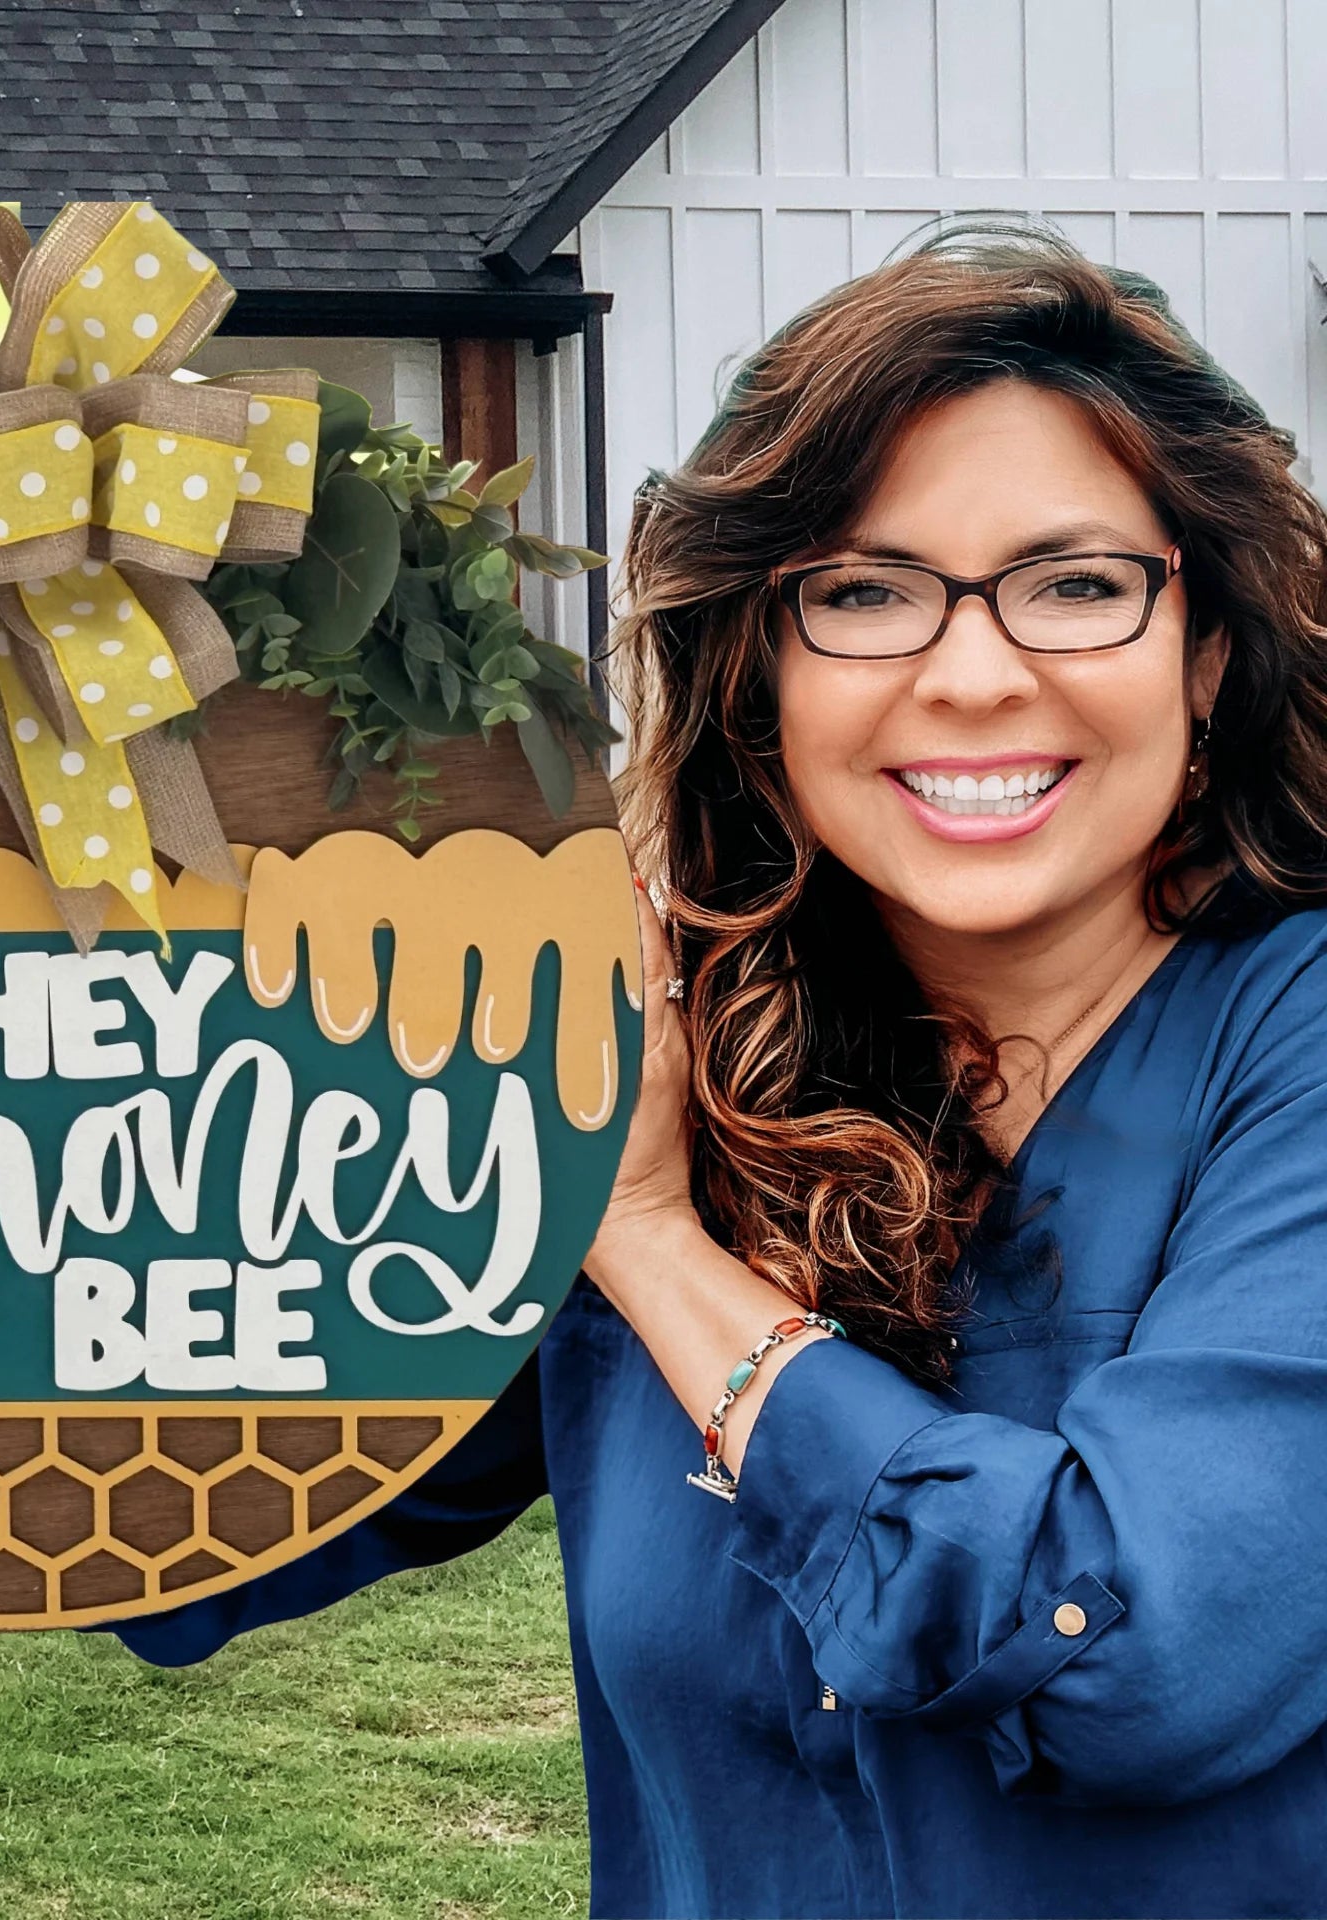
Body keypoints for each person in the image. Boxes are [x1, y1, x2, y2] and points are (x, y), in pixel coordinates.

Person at [110, 226, 1327, 1917]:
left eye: (1076, 584)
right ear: (762, 671)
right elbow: (189, 1515)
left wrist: (655, 1244)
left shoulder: (1294, 1052)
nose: (974, 674)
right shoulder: (677, 1043)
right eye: (865, 593)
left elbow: (1130, 1657)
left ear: (1204, 655)